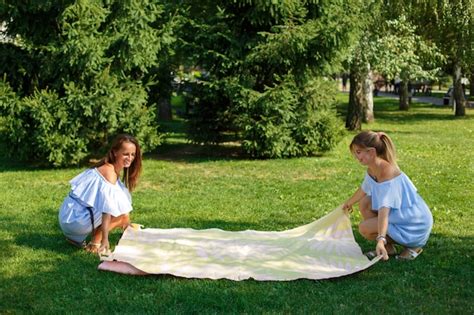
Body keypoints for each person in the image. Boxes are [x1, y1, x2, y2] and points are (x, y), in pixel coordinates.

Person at [342, 131, 433, 261]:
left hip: (414, 224)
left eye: (358, 152)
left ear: (371, 152)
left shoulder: (387, 174)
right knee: (365, 202)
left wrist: (380, 239)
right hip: (400, 216)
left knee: (364, 228)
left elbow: (384, 210)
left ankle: (414, 246)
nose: (356, 156)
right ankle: (389, 248)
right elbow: (364, 189)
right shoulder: (372, 169)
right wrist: (348, 203)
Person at [58, 134, 142, 254]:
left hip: (67, 217)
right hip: (76, 221)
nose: (130, 158)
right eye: (125, 154)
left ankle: (75, 237)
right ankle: (95, 242)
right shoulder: (110, 173)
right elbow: (106, 210)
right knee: (123, 215)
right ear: (115, 152)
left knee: (122, 205)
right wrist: (104, 240)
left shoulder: (105, 166)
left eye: (132, 154)